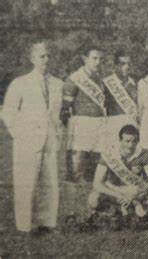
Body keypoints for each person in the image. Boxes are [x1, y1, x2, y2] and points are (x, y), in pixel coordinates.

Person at [3, 40, 64, 233]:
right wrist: (20, 134)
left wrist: (58, 133)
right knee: (25, 182)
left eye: (48, 56)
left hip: (50, 139)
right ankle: (24, 226)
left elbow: (57, 114)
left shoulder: (58, 83)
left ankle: (47, 223)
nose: (46, 59)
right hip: (27, 140)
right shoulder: (20, 83)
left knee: (50, 182)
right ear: (32, 59)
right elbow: (8, 112)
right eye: (42, 56)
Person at [88, 125, 148, 218]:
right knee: (93, 199)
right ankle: (115, 211)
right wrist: (120, 196)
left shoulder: (144, 154)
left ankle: (140, 213)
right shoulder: (109, 153)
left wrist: (134, 195)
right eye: (127, 141)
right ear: (120, 140)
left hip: (136, 190)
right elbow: (97, 183)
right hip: (115, 190)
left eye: (134, 141)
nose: (131, 145)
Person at [61, 45, 106, 183]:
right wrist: (72, 127)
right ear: (85, 59)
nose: (98, 62)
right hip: (81, 123)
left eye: (100, 59)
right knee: (77, 164)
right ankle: (74, 189)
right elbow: (64, 109)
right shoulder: (74, 79)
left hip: (98, 123)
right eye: (94, 58)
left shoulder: (100, 79)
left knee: (95, 163)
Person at [103, 49, 138, 150]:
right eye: (123, 64)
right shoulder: (106, 84)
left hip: (132, 124)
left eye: (129, 64)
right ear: (115, 66)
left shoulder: (136, 83)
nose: (127, 67)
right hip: (114, 125)